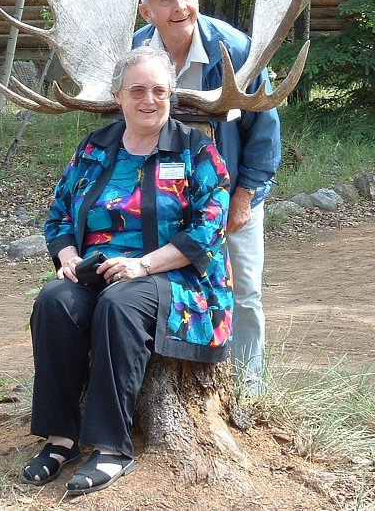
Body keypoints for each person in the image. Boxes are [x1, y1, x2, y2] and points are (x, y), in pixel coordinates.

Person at [22, 46, 232, 495]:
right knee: (54, 301)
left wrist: (142, 265)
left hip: (175, 277)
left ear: (171, 96)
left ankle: (111, 447)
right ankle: (61, 438)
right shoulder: (96, 147)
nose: (149, 100)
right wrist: (68, 260)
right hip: (99, 268)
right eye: (137, 90)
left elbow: (208, 229)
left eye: (159, 90)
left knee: (120, 305)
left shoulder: (197, 150)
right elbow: (59, 214)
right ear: (119, 96)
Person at [132, 0, 281, 385]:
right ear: (147, 10)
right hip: (164, 200)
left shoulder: (235, 50)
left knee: (244, 292)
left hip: (231, 195)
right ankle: (176, 385)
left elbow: (266, 130)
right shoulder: (135, 55)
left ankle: (248, 387)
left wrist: (245, 196)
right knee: (169, 288)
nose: (179, 7)